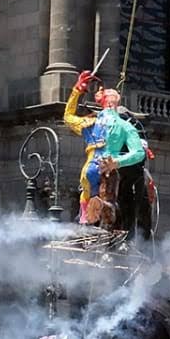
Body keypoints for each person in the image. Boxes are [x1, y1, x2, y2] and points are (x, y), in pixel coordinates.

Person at [62, 69, 153, 236]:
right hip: (110, 172)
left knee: (88, 202)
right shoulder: (126, 126)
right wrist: (117, 162)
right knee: (114, 205)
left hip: (89, 171)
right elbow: (139, 153)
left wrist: (77, 90)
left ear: (100, 102)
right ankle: (106, 230)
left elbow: (67, 117)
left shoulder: (90, 122)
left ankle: (85, 224)